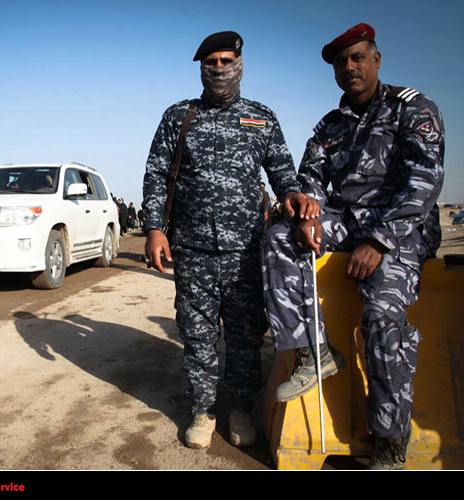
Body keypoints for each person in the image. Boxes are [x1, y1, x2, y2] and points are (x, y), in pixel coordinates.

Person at [262, 23, 444, 469]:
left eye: (357, 57)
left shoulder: (412, 108)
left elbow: (424, 181)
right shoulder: (330, 125)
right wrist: (307, 212)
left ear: (376, 59)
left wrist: (380, 241)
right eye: (341, 62)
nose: (350, 67)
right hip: (345, 221)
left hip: (400, 228)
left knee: (382, 317)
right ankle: (314, 351)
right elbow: (310, 178)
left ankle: (388, 445)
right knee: (280, 237)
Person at [142, 31, 318, 449]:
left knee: (244, 336)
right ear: (201, 68)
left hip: (245, 250)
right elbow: (156, 175)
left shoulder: (262, 117)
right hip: (193, 248)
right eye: (211, 62)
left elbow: (283, 173)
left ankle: (239, 409)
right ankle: (202, 412)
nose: (219, 68)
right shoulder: (178, 115)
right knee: (197, 335)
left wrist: (293, 195)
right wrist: (153, 229)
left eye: (226, 61)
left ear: (240, 64)